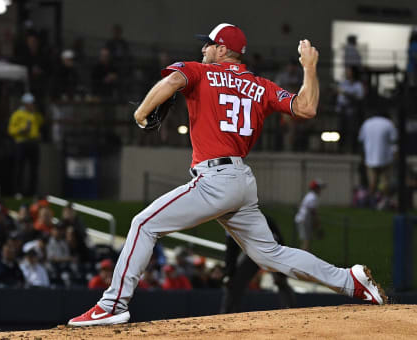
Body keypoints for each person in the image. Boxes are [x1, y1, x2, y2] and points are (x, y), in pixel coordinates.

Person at [68, 23, 387, 327]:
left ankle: (111, 306)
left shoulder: (199, 70)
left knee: (143, 225)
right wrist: (310, 68)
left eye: (208, 43)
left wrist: (139, 114)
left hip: (215, 179)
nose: (203, 48)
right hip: (241, 181)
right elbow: (306, 108)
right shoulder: (261, 86)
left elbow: (172, 81)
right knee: (271, 254)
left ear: (222, 49)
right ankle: (350, 281)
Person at [221, 214, 296, 313]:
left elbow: (278, 239)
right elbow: (232, 248)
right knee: (234, 283)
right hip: (253, 250)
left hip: (269, 247)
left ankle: (291, 312)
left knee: (280, 280)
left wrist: (281, 271)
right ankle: (227, 315)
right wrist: (229, 273)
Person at [358, 111, 398, 209]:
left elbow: (361, 139)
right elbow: (394, 139)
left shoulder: (367, 123)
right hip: (386, 158)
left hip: (370, 158)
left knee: (372, 182)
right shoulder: (388, 123)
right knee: (385, 182)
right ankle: (383, 202)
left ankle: (371, 202)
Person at [8, 93, 44, 196]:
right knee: (20, 168)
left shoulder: (35, 114)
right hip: (22, 143)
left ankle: (32, 191)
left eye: (33, 103)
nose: (32, 105)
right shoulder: (17, 114)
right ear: (25, 104)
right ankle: (18, 191)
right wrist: (21, 130)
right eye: (30, 103)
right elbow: (11, 130)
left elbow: (41, 123)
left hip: (33, 143)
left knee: (34, 168)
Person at [335, 66, 365, 153]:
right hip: (342, 110)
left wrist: (347, 94)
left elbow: (359, 97)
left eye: (349, 71)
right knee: (341, 130)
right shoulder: (344, 83)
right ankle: (341, 149)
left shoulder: (358, 85)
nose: (347, 73)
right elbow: (339, 95)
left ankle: (353, 149)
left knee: (352, 131)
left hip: (352, 111)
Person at [295, 179, 326, 251]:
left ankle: (303, 258)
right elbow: (313, 213)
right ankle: (303, 260)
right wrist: (318, 227)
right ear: (315, 188)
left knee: (306, 242)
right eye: (319, 188)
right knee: (306, 242)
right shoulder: (313, 197)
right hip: (304, 220)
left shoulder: (309, 195)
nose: (320, 190)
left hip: (302, 219)